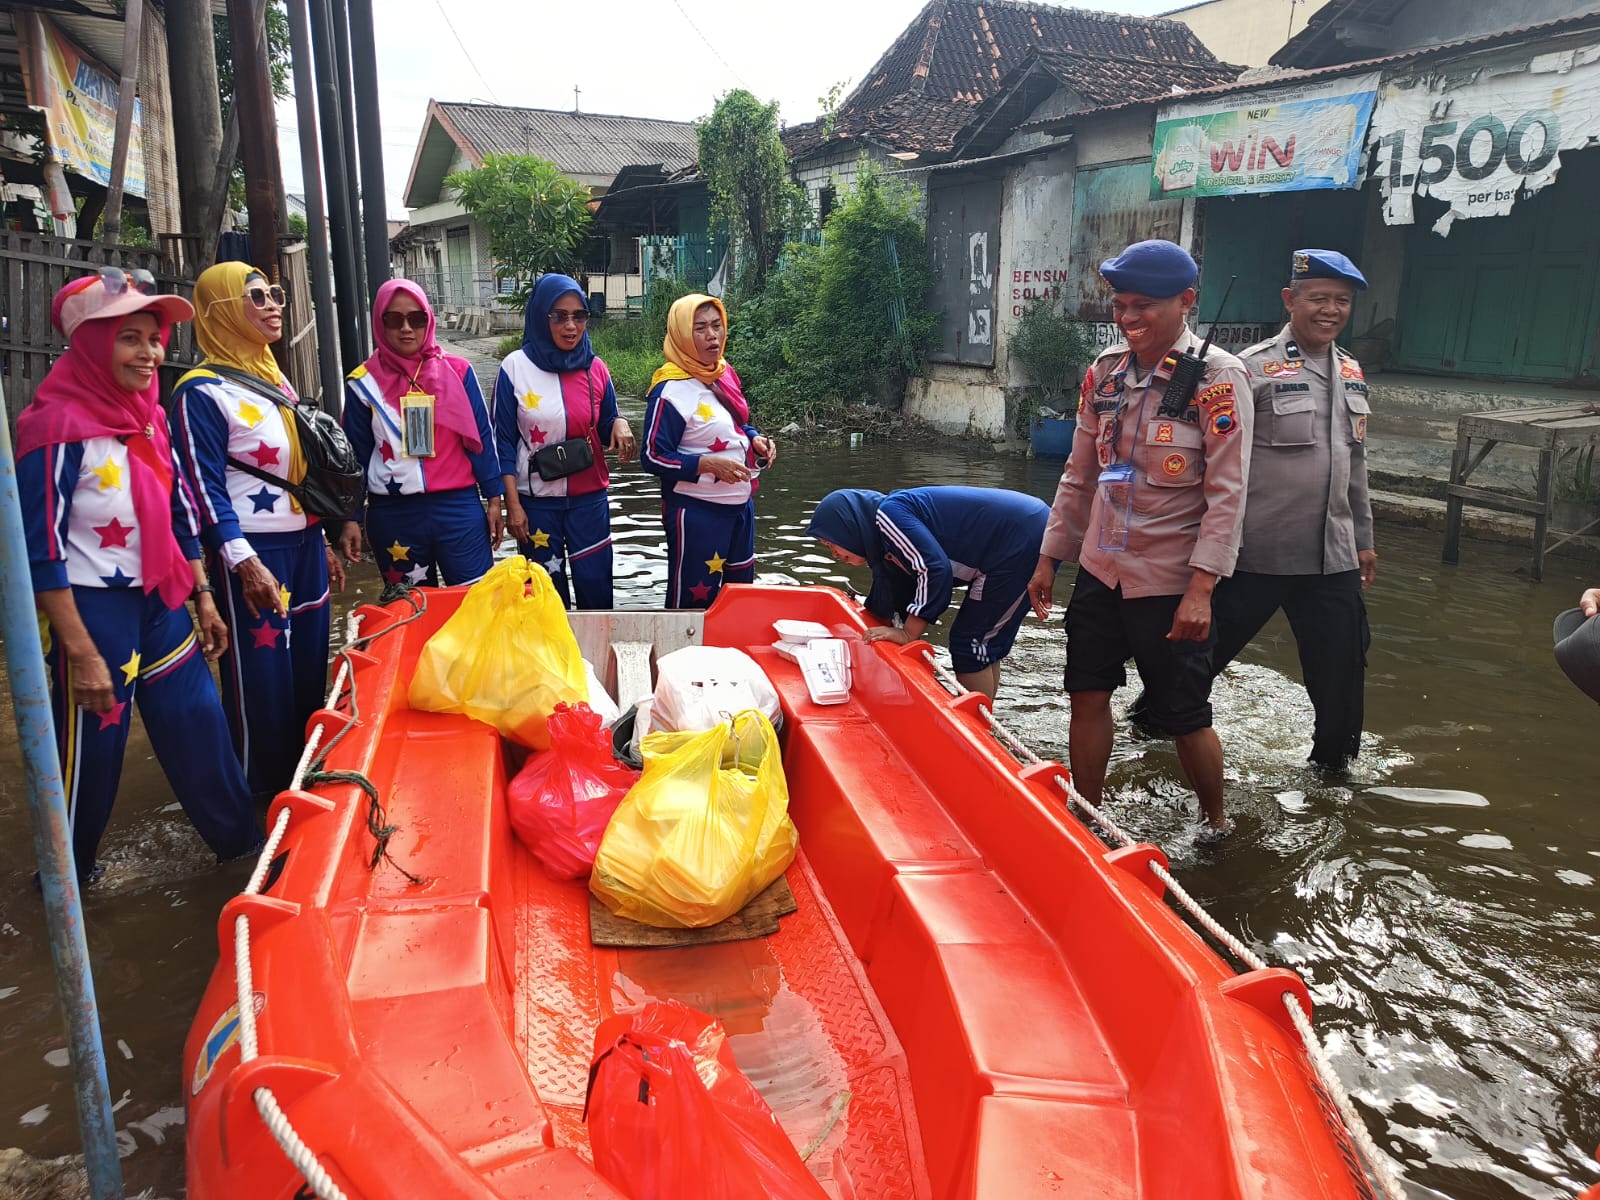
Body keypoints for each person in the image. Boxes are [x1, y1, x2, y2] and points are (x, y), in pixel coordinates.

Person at [17, 270, 259, 884]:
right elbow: (36, 553)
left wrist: (204, 596)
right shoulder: (52, 430)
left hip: (161, 605)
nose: (149, 353)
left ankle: (248, 858)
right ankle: (65, 888)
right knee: (90, 761)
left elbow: (178, 513)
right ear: (93, 343)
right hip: (92, 617)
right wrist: (79, 651)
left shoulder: (149, 419)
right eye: (130, 338)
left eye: (154, 338)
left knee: (200, 729)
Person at [1026, 240, 1252, 831]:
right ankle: (1088, 817)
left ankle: (1216, 824)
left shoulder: (1219, 379)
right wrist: (1051, 558)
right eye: (1120, 305)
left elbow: (1228, 495)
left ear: (1186, 301)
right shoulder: (1103, 375)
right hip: (1102, 569)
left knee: (1184, 714)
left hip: (1171, 580)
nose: (1127, 318)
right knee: (1087, 692)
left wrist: (1202, 589)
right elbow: (1080, 475)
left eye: (1142, 306)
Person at [171, 261, 345, 801]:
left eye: (276, 294)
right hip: (256, 553)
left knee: (306, 678)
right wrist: (242, 562)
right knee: (259, 691)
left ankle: (301, 792)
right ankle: (257, 808)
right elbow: (203, 488)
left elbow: (297, 470)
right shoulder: (200, 392)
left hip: (303, 548)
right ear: (222, 309)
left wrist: (321, 536)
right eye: (257, 296)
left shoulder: (275, 376)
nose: (272, 304)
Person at [1207, 249, 1376, 771]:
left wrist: (1364, 539)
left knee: (1342, 673)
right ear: (1291, 300)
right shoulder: (1251, 369)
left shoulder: (1351, 370)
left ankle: (1334, 771)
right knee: (1199, 658)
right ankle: (1156, 723)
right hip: (1257, 552)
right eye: (1318, 298)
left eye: (1341, 301)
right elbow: (1215, 461)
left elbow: (1357, 461)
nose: (1330, 310)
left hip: (1332, 556)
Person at [808, 486, 1049, 701]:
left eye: (832, 544)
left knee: (970, 643)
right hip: (1021, 531)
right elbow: (900, 585)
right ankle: (988, 727)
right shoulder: (884, 542)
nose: (835, 555)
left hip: (1020, 538)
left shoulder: (888, 515)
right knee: (982, 644)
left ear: (849, 526)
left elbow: (934, 570)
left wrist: (907, 634)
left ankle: (978, 732)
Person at [339, 279, 504, 586]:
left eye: (417, 319)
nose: (406, 328)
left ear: (429, 320)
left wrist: (495, 499)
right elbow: (355, 458)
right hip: (394, 514)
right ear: (379, 322)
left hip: (459, 508)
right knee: (410, 611)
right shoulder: (362, 384)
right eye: (394, 319)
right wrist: (349, 518)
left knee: (474, 608)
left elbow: (481, 440)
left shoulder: (459, 371)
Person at [493, 275, 635, 607]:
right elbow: (501, 443)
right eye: (559, 316)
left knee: (597, 594)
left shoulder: (596, 368)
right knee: (544, 602)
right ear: (542, 316)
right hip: (536, 505)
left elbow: (607, 422)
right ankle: (552, 661)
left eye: (579, 316)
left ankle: (596, 659)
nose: (570, 326)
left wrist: (621, 423)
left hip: (590, 503)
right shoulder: (515, 368)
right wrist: (512, 506)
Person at [640, 294, 775, 609]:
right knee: (691, 604)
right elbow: (652, 455)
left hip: (740, 510)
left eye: (717, 325)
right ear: (683, 335)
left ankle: (730, 655)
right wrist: (706, 464)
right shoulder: (669, 390)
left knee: (739, 598)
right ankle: (679, 657)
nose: (712, 335)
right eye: (700, 328)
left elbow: (736, 426)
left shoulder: (723, 373)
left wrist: (755, 440)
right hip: (696, 515)